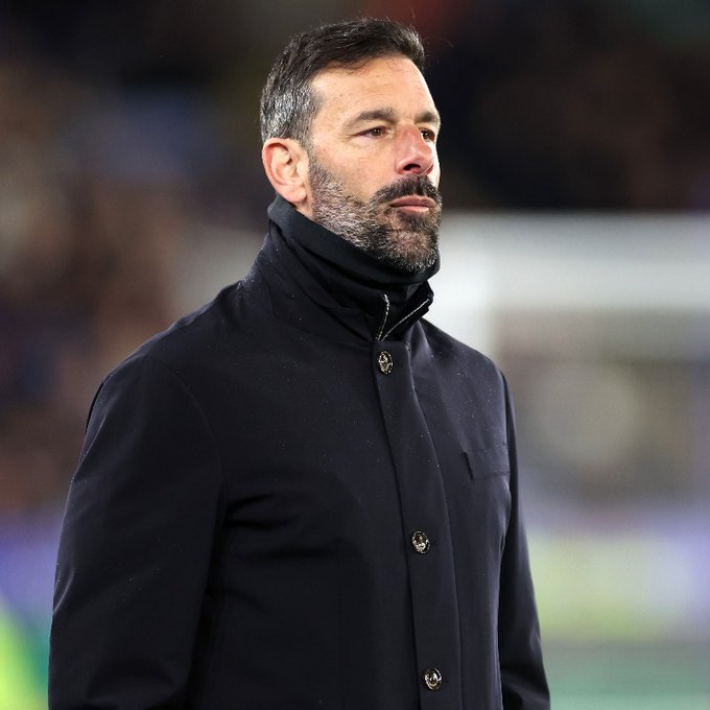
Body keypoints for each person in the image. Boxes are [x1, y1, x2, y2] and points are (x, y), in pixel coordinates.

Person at [49, 18, 549, 710]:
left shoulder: (477, 387)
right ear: (288, 168)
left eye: (427, 132)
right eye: (375, 131)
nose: (416, 157)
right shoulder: (176, 389)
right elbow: (108, 692)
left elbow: (515, 674)